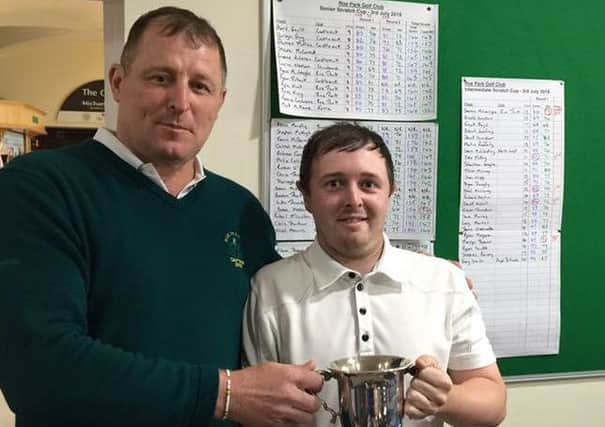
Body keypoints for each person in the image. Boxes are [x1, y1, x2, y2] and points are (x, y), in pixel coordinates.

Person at [0, 7, 322, 427]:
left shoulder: (240, 210)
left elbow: (287, 321)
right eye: (160, 78)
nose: (180, 102)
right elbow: (38, 368)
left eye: (201, 86)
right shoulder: (41, 187)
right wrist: (223, 393)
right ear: (117, 81)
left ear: (219, 102)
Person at [243, 123, 507, 427]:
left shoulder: (445, 281)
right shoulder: (270, 289)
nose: (353, 199)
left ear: (390, 193)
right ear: (306, 196)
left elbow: (493, 402)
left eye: (369, 184)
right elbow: (257, 416)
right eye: (334, 184)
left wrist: (445, 399)